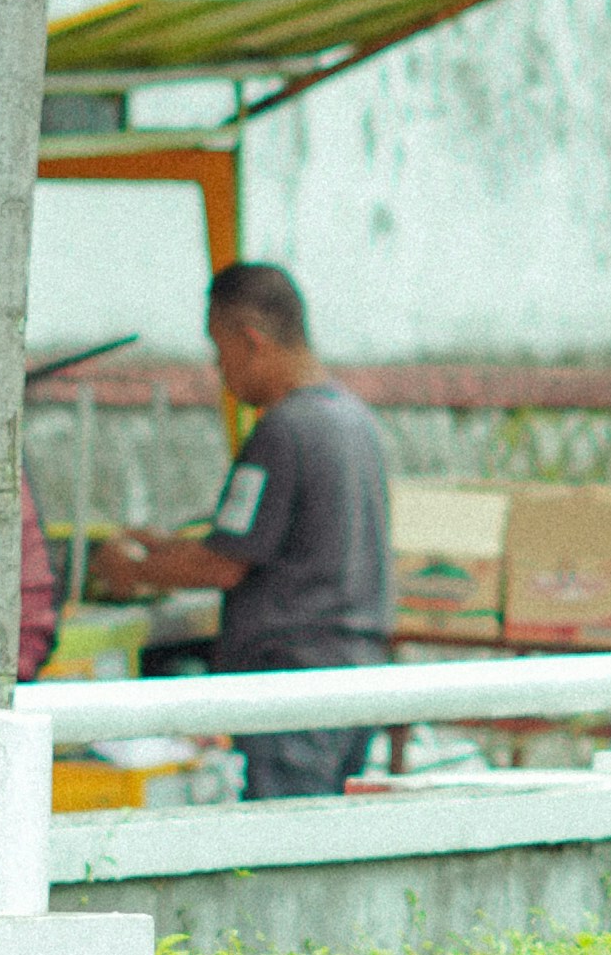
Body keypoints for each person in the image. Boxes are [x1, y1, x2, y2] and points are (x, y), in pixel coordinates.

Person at [87, 264, 393, 796]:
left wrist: (132, 568)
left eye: (219, 349)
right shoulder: (354, 421)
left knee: (282, 848)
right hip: (354, 678)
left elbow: (223, 563)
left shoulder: (283, 430)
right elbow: (269, 541)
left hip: (293, 690)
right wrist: (169, 549)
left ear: (250, 341)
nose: (219, 371)